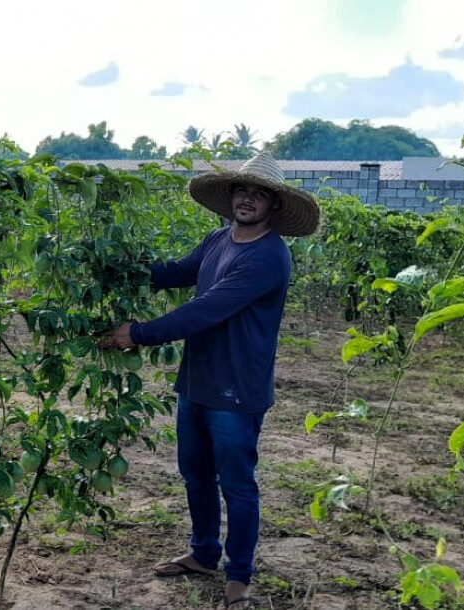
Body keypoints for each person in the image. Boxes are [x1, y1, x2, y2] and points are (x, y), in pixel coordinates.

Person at [101, 150, 319, 609]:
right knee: (195, 474)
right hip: (197, 381)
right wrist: (116, 268)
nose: (248, 199)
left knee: (237, 483)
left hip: (236, 390)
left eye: (260, 194)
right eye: (242, 190)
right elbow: (179, 274)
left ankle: (239, 573)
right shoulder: (218, 239)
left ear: (273, 206)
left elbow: (206, 309)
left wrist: (138, 334)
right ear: (230, 197)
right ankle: (203, 554)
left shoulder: (269, 258)